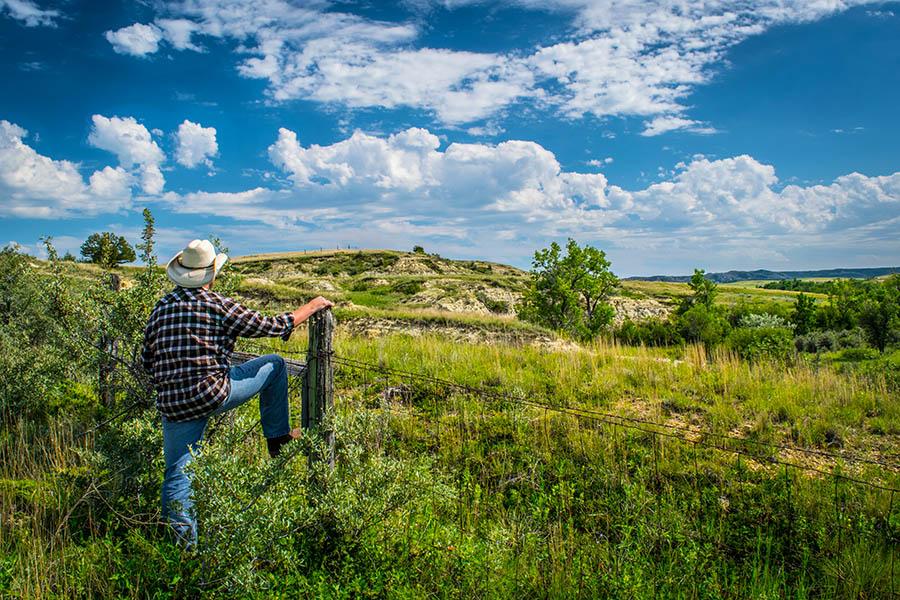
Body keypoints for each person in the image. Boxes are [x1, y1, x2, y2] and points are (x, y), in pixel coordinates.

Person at [140, 239, 333, 545]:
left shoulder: (161, 308)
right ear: (211, 275)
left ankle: (182, 551)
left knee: (177, 474)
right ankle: (278, 440)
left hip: (173, 402)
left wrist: (172, 384)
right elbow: (269, 325)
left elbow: (147, 358)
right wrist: (312, 306)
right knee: (275, 366)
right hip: (213, 391)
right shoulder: (216, 304)